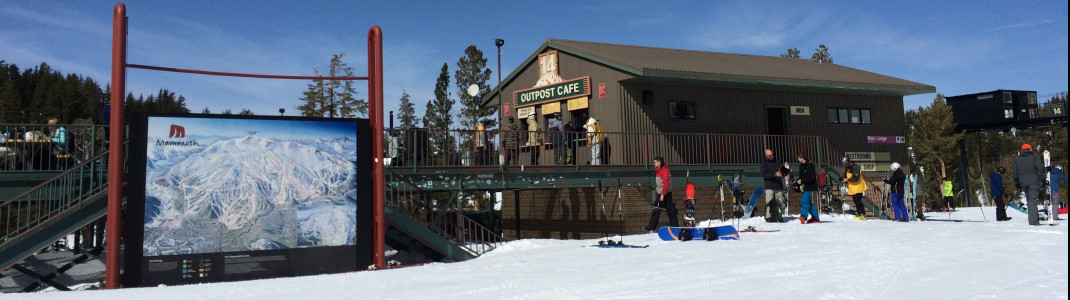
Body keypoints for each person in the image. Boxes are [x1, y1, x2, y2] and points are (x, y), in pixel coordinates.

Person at [1013, 143, 1045, 225]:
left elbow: (1015, 173)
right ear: (1029, 149)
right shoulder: (1034, 158)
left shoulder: (1017, 160)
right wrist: (1047, 168)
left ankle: (1035, 218)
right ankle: (1033, 221)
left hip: (1023, 183)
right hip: (1033, 182)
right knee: (1032, 201)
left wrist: (1017, 182)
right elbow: (1041, 168)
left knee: (1029, 200)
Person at [643, 156, 677, 231]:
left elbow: (666, 183)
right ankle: (651, 227)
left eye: (655, 162)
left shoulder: (665, 170)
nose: (654, 164)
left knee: (668, 210)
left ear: (659, 162)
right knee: (658, 209)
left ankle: (674, 226)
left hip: (665, 193)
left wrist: (662, 194)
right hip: (662, 193)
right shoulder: (659, 170)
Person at [760, 149, 786, 222]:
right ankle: (769, 216)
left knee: (780, 202)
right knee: (769, 202)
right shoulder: (764, 164)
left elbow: (783, 170)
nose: (771, 157)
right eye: (769, 156)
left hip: (778, 185)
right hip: (769, 185)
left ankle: (779, 216)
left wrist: (785, 172)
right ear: (766, 156)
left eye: (772, 155)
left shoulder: (778, 162)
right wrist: (774, 175)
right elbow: (764, 174)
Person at [796, 153, 820, 223]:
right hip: (804, 186)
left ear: (802, 158)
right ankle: (815, 217)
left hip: (809, 186)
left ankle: (803, 215)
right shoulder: (801, 166)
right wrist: (798, 180)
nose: (798, 159)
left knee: (805, 201)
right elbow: (801, 176)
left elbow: (812, 177)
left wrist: (802, 180)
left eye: (799, 158)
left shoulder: (810, 166)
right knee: (809, 203)